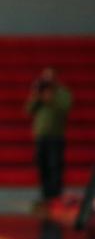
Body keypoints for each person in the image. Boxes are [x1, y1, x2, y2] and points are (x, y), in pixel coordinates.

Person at [26, 67, 72, 207]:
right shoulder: (39, 93)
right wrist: (37, 97)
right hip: (41, 135)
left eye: (50, 77)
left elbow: (66, 107)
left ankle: (55, 194)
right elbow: (28, 109)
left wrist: (51, 99)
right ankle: (46, 194)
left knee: (55, 166)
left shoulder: (62, 93)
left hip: (56, 135)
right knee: (42, 165)